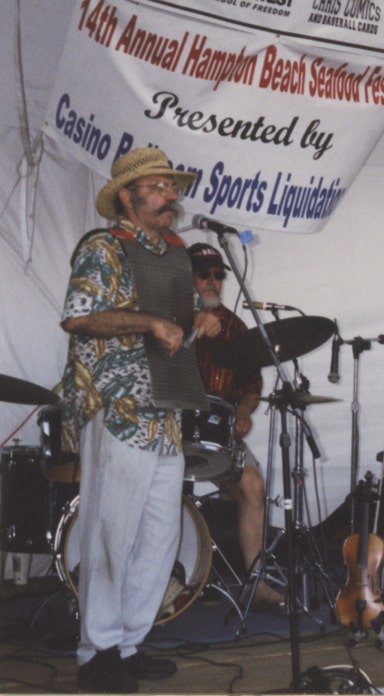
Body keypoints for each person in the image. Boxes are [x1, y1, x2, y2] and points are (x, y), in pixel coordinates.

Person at [60, 148, 221, 692]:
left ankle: (128, 643)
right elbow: (79, 316)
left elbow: (174, 330)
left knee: (161, 534)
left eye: (172, 187)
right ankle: (96, 651)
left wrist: (199, 321)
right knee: (112, 531)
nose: (171, 196)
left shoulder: (175, 253)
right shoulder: (103, 247)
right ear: (128, 197)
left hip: (167, 408)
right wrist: (151, 320)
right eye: (158, 186)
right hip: (121, 406)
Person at [187, 242, 285, 607]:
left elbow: (250, 386)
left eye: (218, 275)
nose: (212, 282)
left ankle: (256, 581)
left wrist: (243, 412)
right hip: (168, 431)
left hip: (216, 433)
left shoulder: (234, 326)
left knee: (253, 485)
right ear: (188, 278)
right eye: (204, 275)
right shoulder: (168, 319)